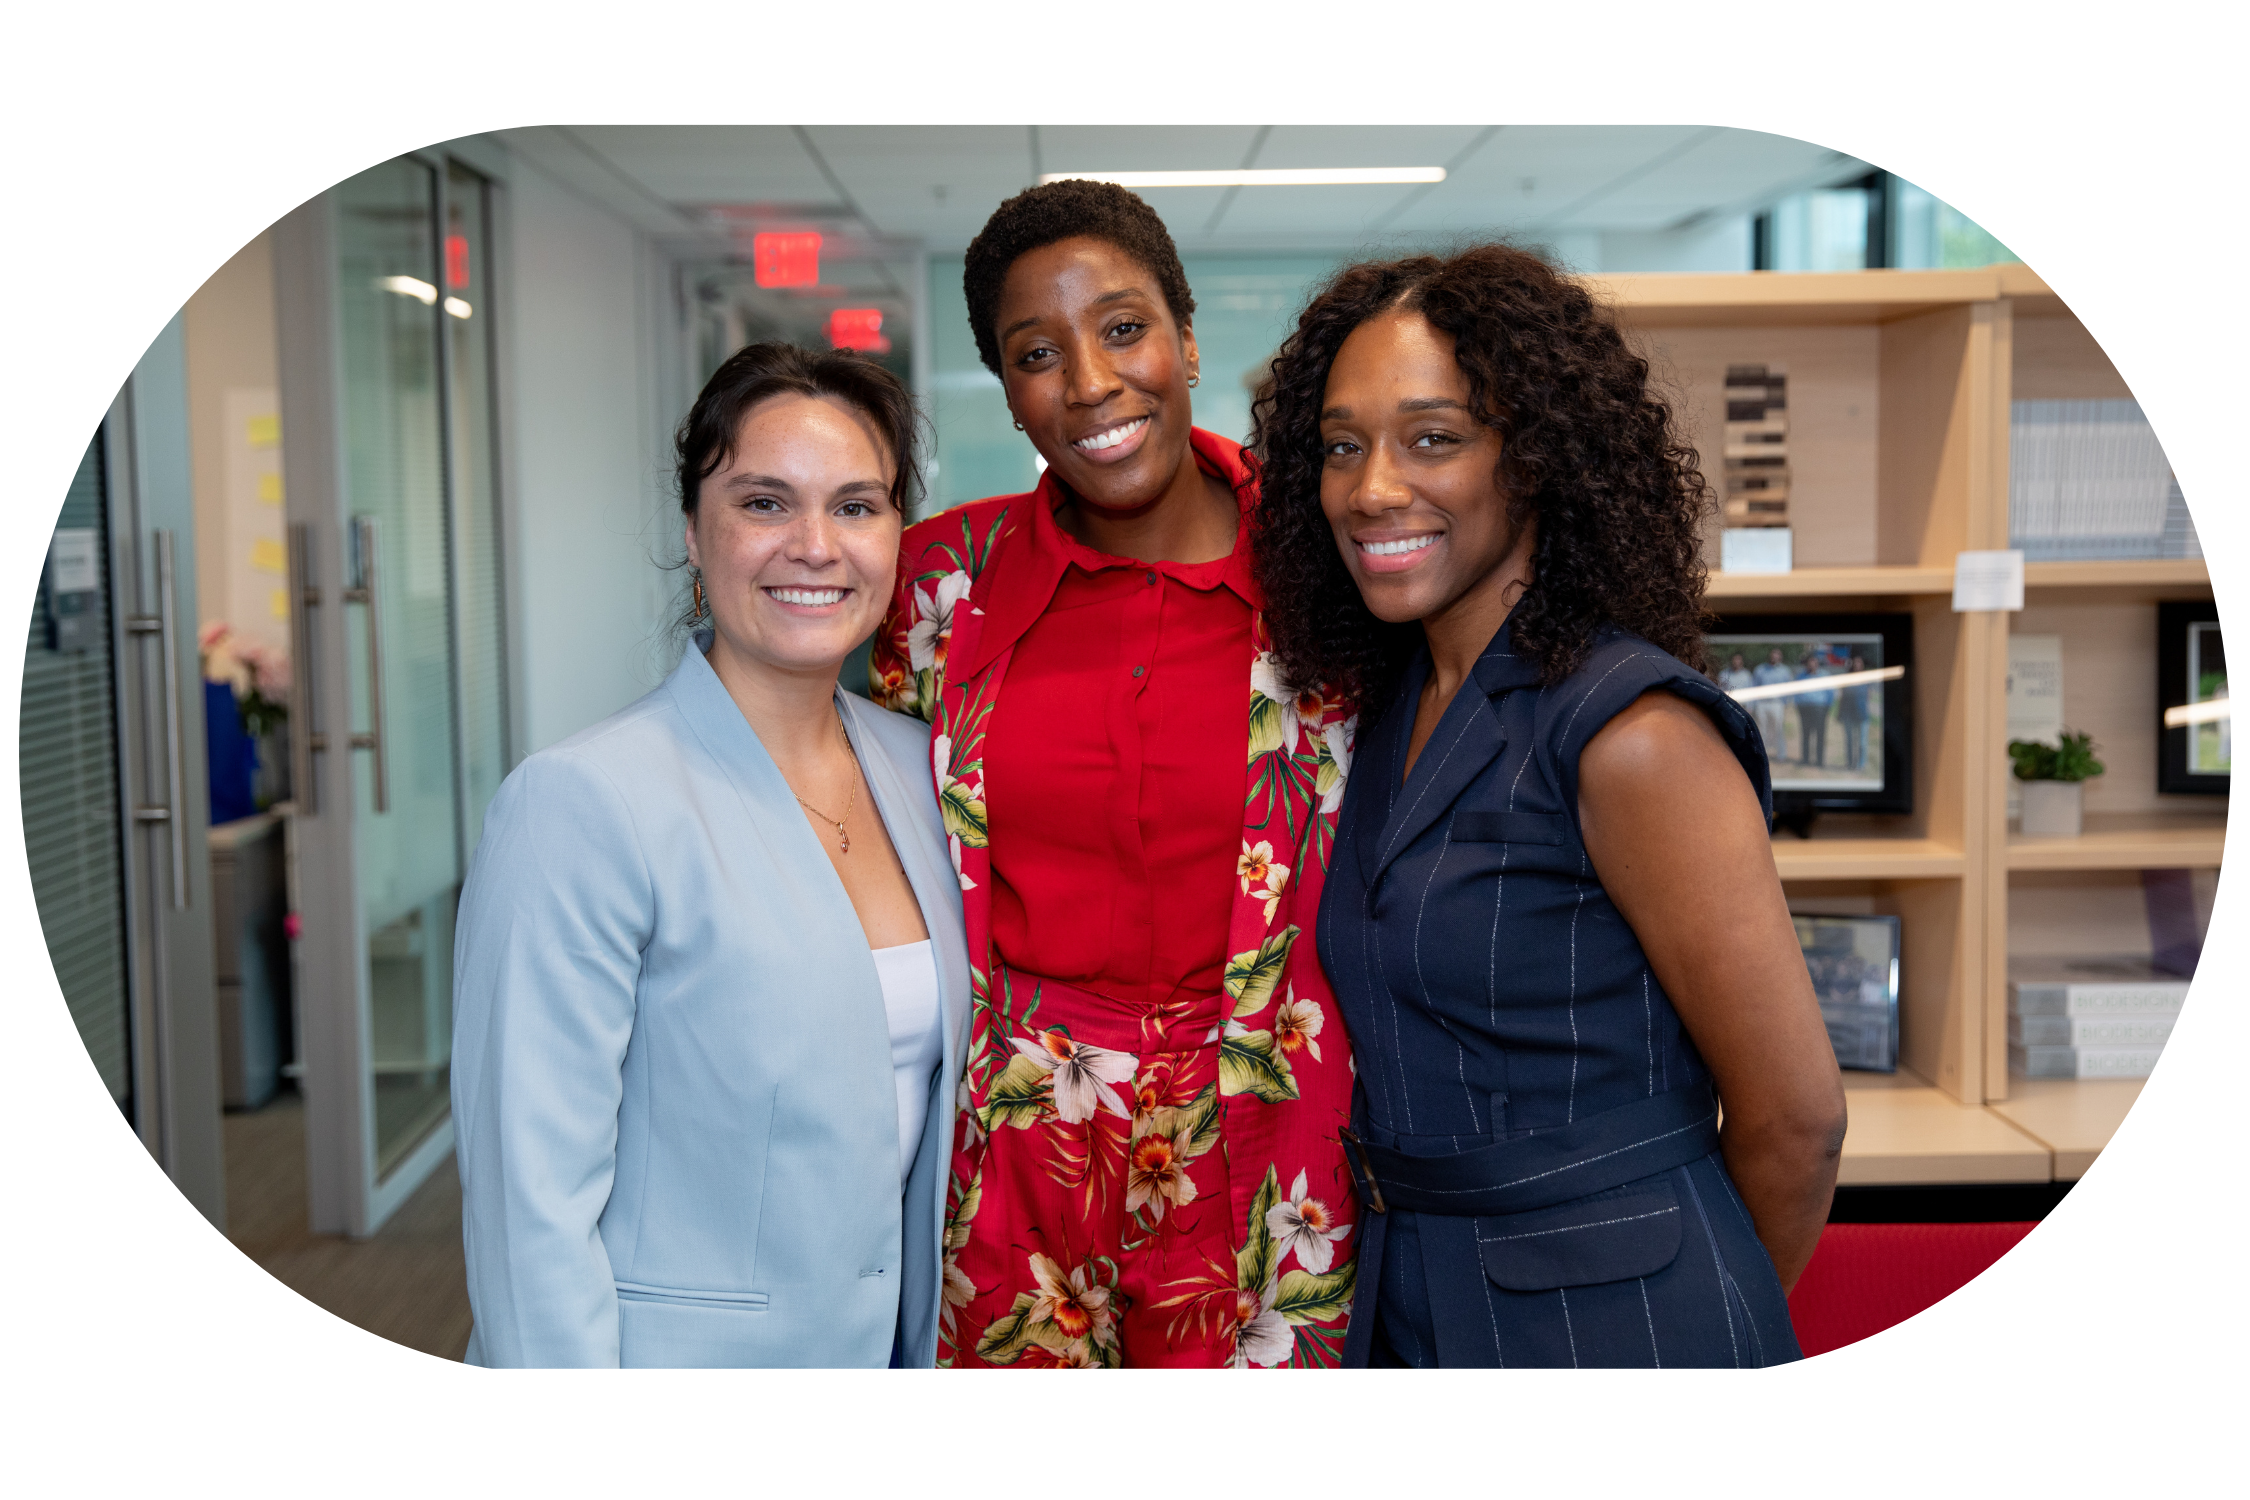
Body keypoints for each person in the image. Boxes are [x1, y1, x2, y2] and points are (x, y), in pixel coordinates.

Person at [1251, 245, 1846, 1368]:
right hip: (1412, 1294)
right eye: (1342, 446)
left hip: (1616, 1320)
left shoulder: (1632, 736)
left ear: (1535, 460)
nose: (1374, 487)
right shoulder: (1389, 714)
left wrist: (1695, 1316)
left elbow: (1799, 1124)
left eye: (1434, 438)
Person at [871, 180, 1358, 1369]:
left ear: (1189, 340)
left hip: (1275, 1121)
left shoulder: (1331, 561)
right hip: (1022, 1133)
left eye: (1125, 328)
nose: (1089, 381)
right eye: (1038, 353)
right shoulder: (939, 586)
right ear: (1008, 388)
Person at [452, 344, 972, 1368]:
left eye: (857, 507)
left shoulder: (926, 770)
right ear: (695, 533)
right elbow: (528, 1208)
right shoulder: (583, 804)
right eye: (766, 503)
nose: (816, 546)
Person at [1752, 647, 1794, 763]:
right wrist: (1754, 705)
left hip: (1777, 703)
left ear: (1780, 657)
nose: (1774, 657)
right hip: (1762, 703)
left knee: (1778, 729)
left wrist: (1785, 704)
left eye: (1777, 655)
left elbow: (1789, 688)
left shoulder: (1785, 671)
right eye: (1773, 655)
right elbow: (1754, 687)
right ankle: (1763, 756)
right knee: (1762, 730)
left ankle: (1781, 754)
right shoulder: (1760, 669)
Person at [1797, 652, 1835, 769]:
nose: (1812, 664)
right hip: (1805, 708)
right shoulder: (1801, 676)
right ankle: (1805, 760)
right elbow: (1796, 693)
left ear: (1817, 663)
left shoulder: (1825, 675)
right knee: (1806, 735)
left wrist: (1826, 709)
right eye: (1810, 662)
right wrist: (1799, 706)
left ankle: (1819, 761)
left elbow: (1830, 694)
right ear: (1807, 664)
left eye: (1814, 662)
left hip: (1820, 709)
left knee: (1820, 736)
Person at [1837, 650, 1872, 772]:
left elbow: (1868, 696)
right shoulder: (1847, 678)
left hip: (1862, 714)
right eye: (1855, 663)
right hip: (1848, 714)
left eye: (1859, 662)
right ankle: (1850, 763)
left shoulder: (1867, 678)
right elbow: (1842, 697)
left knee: (1862, 742)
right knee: (1850, 741)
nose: (1857, 665)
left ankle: (1861, 765)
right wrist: (1840, 714)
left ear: (1862, 664)